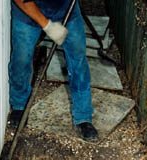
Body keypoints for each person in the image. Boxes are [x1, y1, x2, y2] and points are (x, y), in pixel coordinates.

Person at [8, 0, 98, 141]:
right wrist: (48, 26)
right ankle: (19, 105)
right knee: (22, 59)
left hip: (67, 10)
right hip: (27, 13)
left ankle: (83, 117)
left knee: (78, 62)